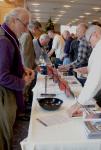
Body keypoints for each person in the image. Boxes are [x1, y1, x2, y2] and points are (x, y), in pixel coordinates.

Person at [0, 7, 34, 150]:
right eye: (25, 24)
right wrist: (23, 82)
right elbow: (2, 76)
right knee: (4, 135)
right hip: (4, 95)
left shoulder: (8, 36)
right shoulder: (5, 41)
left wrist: (22, 69)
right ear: (14, 21)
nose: (26, 30)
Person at [19, 20, 42, 112]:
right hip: (26, 69)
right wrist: (29, 71)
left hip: (27, 67)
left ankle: (24, 107)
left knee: (25, 89)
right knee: (24, 89)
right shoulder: (27, 36)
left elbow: (29, 55)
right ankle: (22, 110)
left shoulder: (28, 36)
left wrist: (34, 65)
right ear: (34, 29)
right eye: (39, 30)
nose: (40, 32)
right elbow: (25, 55)